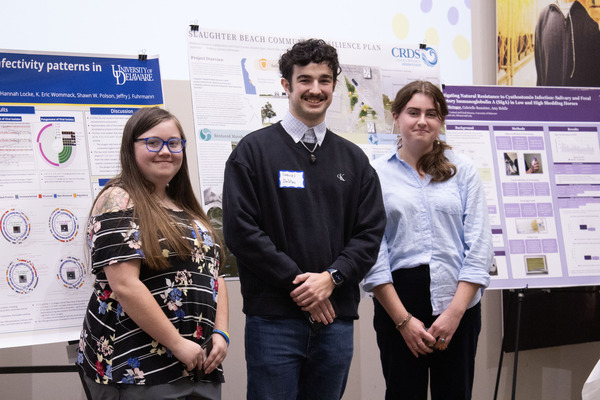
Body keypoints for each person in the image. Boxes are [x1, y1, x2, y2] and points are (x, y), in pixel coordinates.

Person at [222, 39, 385, 400]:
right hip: (274, 323)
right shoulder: (253, 152)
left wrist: (332, 278)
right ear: (286, 85)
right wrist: (304, 287)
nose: (315, 89)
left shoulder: (354, 160)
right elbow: (241, 231)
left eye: (324, 80)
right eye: (305, 80)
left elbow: (370, 232)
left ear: (334, 86)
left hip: (336, 322)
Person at [77, 107, 229, 400]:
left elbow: (214, 276)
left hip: (198, 364)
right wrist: (176, 343)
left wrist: (221, 333)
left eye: (174, 143)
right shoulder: (118, 199)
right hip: (137, 369)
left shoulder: (186, 207)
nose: (165, 151)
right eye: (153, 142)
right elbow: (124, 286)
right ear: (130, 147)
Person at [362, 81, 493, 400]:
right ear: (396, 117)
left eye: (431, 113)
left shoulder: (464, 172)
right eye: (413, 112)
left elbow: (479, 248)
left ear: (441, 120)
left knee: (455, 394)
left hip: (458, 302)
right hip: (398, 302)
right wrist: (403, 321)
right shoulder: (374, 174)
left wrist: (454, 314)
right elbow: (372, 253)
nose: (422, 120)